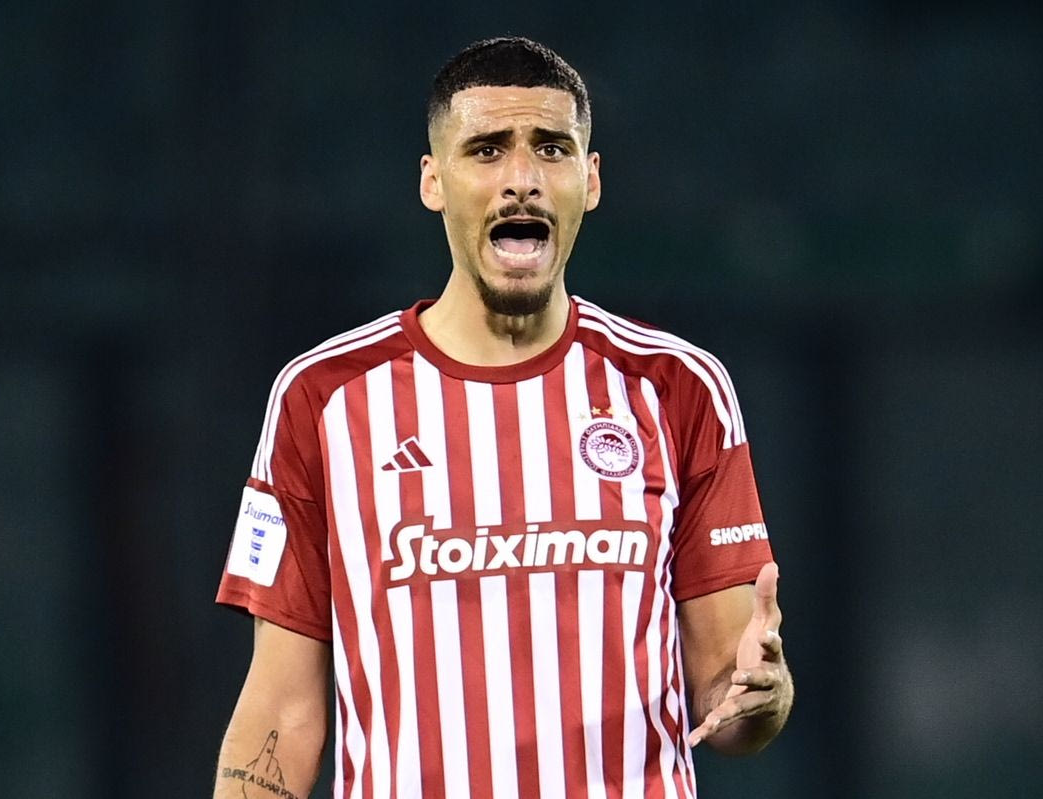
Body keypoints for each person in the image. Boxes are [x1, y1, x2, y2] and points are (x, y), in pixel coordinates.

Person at [214, 36, 793, 799]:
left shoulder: (679, 387)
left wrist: (763, 695)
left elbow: (728, 696)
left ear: (590, 179)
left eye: (551, 148)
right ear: (433, 180)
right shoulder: (322, 398)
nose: (522, 179)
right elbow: (283, 710)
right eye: (487, 150)